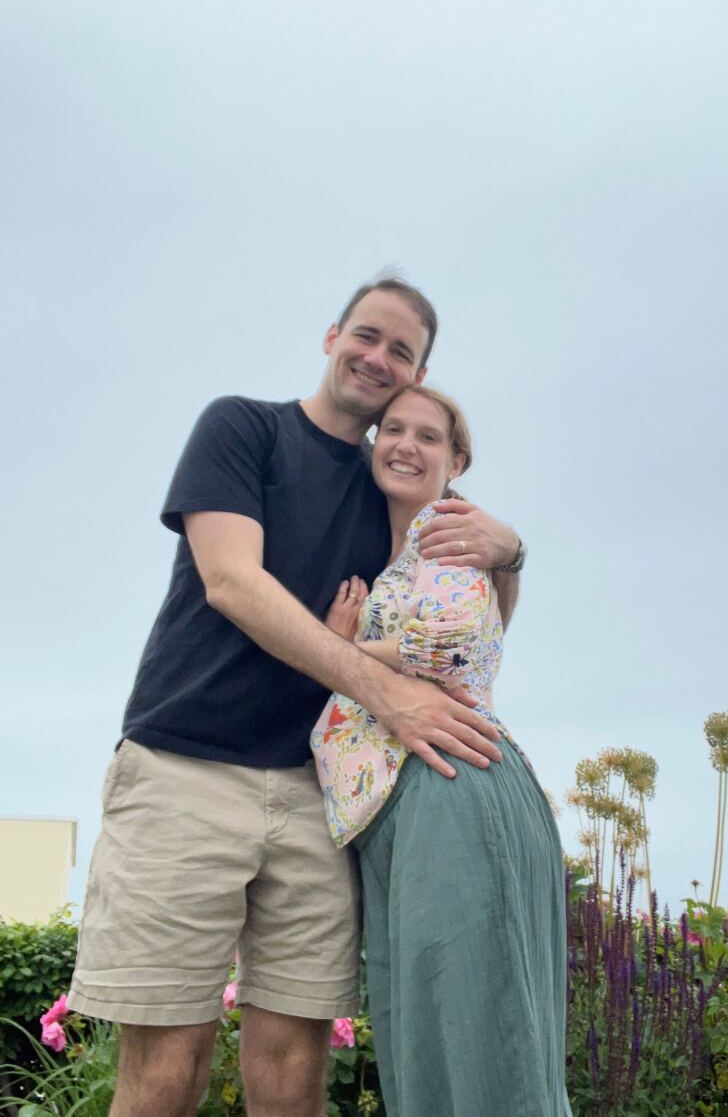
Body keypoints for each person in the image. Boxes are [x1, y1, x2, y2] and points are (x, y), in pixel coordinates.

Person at [67, 277, 526, 1117]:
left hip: (317, 799)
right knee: (168, 1064)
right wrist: (381, 687)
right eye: (368, 334)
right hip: (185, 770)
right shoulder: (243, 428)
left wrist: (513, 553)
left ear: (417, 371)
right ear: (331, 336)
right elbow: (233, 582)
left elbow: (464, 629)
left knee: (292, 1070)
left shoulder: (392, 489)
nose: (377, 356)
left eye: (402, 350)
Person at [312, 385, 571, 1117]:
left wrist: (341, 649)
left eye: (428, 436)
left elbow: (451, 642)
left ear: (457, 459)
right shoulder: (395, 554)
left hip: (451, 785)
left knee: (480, 1044)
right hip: (414, 797)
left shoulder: (451, 531)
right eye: (392, 429)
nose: (405, 444)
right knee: (426, 1045)